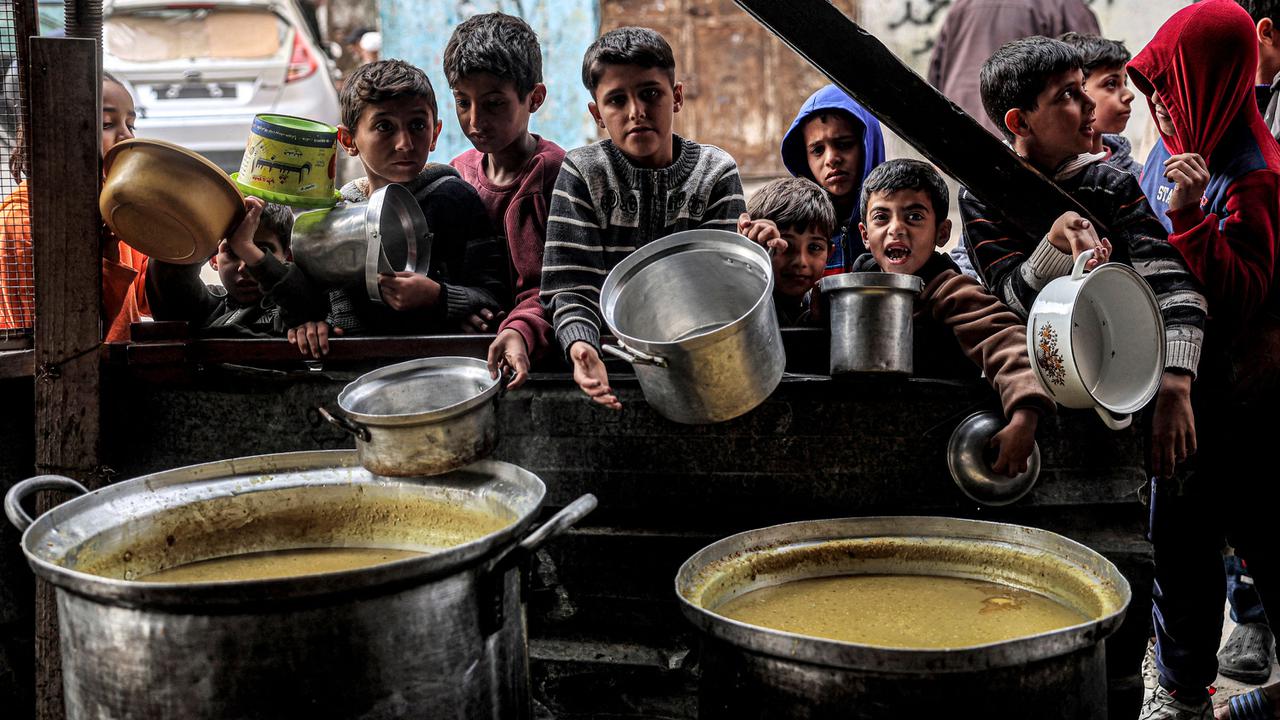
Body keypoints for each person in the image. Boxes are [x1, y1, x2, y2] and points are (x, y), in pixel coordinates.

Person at [960, 36, 1207, 483]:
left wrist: (1175, 382)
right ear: (1020, 122)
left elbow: (1173, 282)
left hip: (1123, 383)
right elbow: (1008, 302)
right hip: (1035, 399)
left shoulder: (1112, 184)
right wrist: (1054, 247)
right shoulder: (981, 195)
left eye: (1083, 87)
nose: (1090, 104)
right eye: (1068, 95)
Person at [1128, 2, 1280, 716]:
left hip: (1244, 403)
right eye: (1152, 88)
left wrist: (1190, 217)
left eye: (1170, 87)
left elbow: (1242, 295)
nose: (1158, 104)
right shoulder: (1174, 146)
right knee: (1178, 549)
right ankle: (1186, 693)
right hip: (1184, 388)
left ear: (1210, 83)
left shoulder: (1253, 173)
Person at [540, 26, 757, 409]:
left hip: (701, 371)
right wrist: (581, 346)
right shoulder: (583, 173)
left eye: (650, 94)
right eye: (616, 100)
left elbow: (724, 291)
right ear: (597, 114)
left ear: (677, 97)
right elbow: (570, 287)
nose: (636, 112)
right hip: (609, 372)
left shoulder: (715, 173)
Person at [289, 59, 510, 357]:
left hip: (437, 364)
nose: (405, 143)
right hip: (354, 366)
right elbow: (318, 299)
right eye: (384, 127)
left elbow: (495, 296)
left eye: (417, 125)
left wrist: (439, 296)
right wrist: (310, 323)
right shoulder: (338, 212)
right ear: (348, 140)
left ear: (435, 134)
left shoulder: (453, 199)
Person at [854, 159, 1053, 475]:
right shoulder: (854, 289)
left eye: (914, 216)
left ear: (942, 232)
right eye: (882, 217)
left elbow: (1003, 340)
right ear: (865, 234)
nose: (896, 228)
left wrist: (1024, 415)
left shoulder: (950, 289)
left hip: (942, 444)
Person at [444, 12, 565, 390]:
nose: (475, 120)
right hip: (471, 362)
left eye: (494, 103)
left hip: (545, 361)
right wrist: (460, 306)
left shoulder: (558, 176)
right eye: (462, 102)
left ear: (535, 99)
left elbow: (559, 286)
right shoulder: (457, 176)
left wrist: (518, 328)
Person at [0, 73, 150, 342]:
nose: (127, 136)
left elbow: (144, 294)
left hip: (125, 361)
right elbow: (44, 343)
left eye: (131, 125)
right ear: (57, 132)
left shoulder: (114, 206)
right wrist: (108, 258)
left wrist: (183, 246)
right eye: (107, 124)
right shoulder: (21, 221)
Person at [146, 198, 327, 336]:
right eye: (232, 252)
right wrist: (212, 226)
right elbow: (168, 272)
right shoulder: (207, 308)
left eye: (259, 251)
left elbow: (305, 303)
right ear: (213, 259)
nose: (243, 267)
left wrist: (244, 244)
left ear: (289, 257)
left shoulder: (296, 307)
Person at [928, 0, 1099, 136]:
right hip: (1019, 138)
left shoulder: (961, 6)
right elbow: (1094, 69)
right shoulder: (1063, 5)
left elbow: (935, 77)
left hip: (957, 128)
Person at [779, 85, 885, 275]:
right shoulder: (790, 226)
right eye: (818, 150)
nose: (831, 159)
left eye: (844, 144)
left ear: (868, 144)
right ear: (804, 158)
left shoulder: (896, 223)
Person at [745, 177, 834, 327]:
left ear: (829, 254)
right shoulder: (741, 307)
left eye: (814, 247)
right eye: (786, 245)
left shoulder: (827, 312)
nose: (800, 261)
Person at [1058, 32, 1141, 177]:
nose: (1129, 95)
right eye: (1111, 83)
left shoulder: (1139, 177)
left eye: (1125, 82)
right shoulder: (1045, 173)